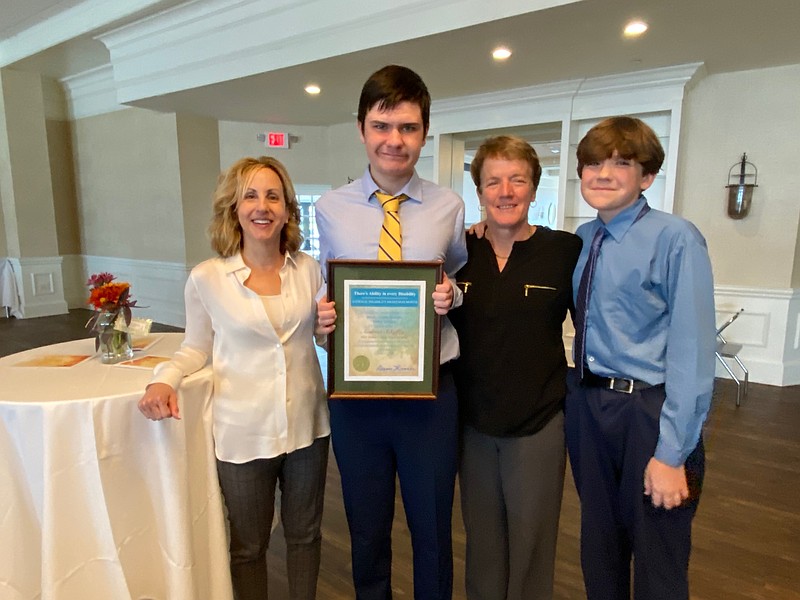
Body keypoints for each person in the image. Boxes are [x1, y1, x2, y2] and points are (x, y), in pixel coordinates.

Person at [138, 156, 330, 600]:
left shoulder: (310, 270)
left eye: (272, 196)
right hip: (243, 435)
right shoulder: (208, 278)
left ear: (287, 209)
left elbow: (322, 339)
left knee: (306, 537)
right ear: (234, 208)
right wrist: (163, 379)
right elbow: (194, 348)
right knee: (248, 547)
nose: (262, 206)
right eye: (250, 195)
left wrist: (332, 337)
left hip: (308, 427)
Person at [314, 64, 467, 600]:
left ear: (424, 133)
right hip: (357, 398)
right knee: (366, 531)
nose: (394, 140)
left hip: (430, 396)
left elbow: (458, 279)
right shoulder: (329, 209)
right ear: (362, 129)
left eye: (407, 127)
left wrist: (455, 296)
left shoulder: (449, 205)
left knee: (432, 532)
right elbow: (324, 286)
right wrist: (321, 319)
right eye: (382, 126)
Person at [565, 116, 715, 600]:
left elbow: (693, 353)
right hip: (590, 408)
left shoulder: (677, 238)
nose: (603, 173)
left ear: (646, 177)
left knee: (658, 555)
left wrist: (672, 453)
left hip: (650, 411)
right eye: (592, 163)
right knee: (600, 547)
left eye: (621, 163)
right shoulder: (583, 240)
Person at [448, 135, 581, 600]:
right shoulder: (457, 252)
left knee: (532, 543)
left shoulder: (566, 251)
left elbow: (593, 329)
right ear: (479, 191)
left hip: (539, 421)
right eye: (493, 181)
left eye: (517, 180)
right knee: (482, 544)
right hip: (473, 423)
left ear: (533, 187)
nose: (505, 191)